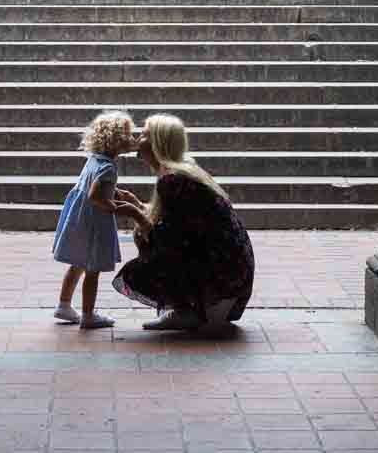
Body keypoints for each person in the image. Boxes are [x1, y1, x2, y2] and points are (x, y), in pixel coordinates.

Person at [111, 113, 256, 332]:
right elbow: (180, 224)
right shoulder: (180, 171)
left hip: (223, 285)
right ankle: (185, 307)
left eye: (143, 135)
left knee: (139, 265)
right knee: (148, 240)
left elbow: (171, 238)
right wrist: (139, 206)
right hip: (233, 279)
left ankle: (187, 310)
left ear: (157, 142)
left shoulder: (173, 180)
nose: (137, 139)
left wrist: (136, 215)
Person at [51, 109, 136, 329]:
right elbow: (95, 195)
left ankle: (64, 305)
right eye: (128, 135)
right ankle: (88, 315)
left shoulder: (94, 160)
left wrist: (114, 192)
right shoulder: (108, 167)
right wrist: (116, 207)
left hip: (80, 220)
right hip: (94, 224)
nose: (133, 139)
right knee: (92, 268)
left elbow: (93, 186)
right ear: (115, 141)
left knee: (77, 263)